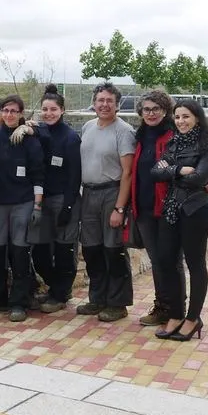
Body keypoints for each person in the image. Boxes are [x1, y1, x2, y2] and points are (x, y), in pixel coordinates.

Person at [152, 100, 208, 341]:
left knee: (195, 264)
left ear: (197, 118)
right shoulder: (172, 143)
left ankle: (193, 318)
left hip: (195, 209)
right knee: (165, 261)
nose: (181, 121)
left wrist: (173, 170)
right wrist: (181, 170)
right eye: (178, 116)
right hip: (172, 209)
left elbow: (200, 177)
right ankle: (175, 315)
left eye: (186, 116)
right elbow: (155, 173)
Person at [0, 95, 45, 321]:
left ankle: (19, 302)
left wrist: (37, 205)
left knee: (20, 253)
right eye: (5, 110)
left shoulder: (30, 140)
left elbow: (39, 174)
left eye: (14, 111)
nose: (9, 115)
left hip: (23, 202)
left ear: (21, 114)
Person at [78, 83, 136, 322]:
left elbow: (128, 173)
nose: (104, 105)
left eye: (109, 101)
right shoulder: (88, 127)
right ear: (94, 102)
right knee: (92, 249)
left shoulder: (124, 131)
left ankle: (118, 303)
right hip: (88, 194)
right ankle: (97, 298)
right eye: (100, 100)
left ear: (117, 104)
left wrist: (119, 208)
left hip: (112, 193)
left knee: (113, 250)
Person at [26, 85, 81, 314]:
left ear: (62, 110)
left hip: (63, 199)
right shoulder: (36, 132)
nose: (48, 113)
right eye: (45, 109)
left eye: (53, 109)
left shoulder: (70, 137)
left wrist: (68, 205)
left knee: (64, 250)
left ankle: (60, 294)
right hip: (41, 200)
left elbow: (75, 174)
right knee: (39, 250)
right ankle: (56, 286)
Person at [129, 90, 180, 327]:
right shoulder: (140, 136)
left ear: (165, 111)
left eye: (155, 109)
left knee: (171, 260)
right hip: (145, 208)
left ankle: (176, 309)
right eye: (146, 109)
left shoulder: (173, 136)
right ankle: (162, 306)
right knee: (157, 260)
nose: (150, 113)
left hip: (167, 209)